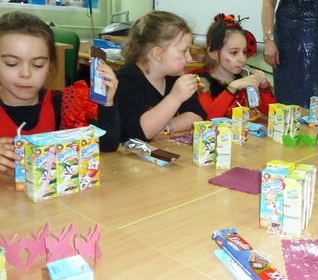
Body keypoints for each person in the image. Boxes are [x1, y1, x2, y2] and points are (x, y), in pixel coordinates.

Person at [0, 11, 120, 172]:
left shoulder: (64, 104)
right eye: (11, 63)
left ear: (50, 66)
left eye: (38, 65)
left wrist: (108, 103)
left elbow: (107, 145)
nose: (26, 74)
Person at [116, 10, 206, 141]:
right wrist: (175, 98)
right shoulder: (126, 80)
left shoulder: (174, 77)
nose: (189, 58)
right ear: (158, 54)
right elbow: (141, 132)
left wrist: (165, 128)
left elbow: (197, 117)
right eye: (183, 51)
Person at [194, 13, 275, 120]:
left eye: (244, 52)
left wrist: (263, 86)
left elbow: (271, 114)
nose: (242, 58)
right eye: (234, 52)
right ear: (214, 53)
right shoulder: (202, 83)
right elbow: (207, 120)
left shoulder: (244, 79)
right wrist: (232, 88)